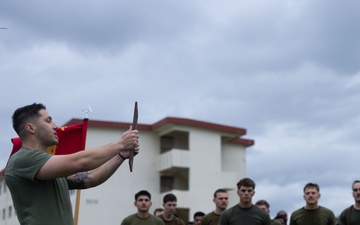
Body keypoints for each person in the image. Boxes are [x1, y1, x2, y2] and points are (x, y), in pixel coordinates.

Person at [5, 103, 140, 225]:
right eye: (48, 120)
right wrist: (121, 143)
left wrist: (122, 155)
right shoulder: (22, 159)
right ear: (30, 128)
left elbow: (91, 178)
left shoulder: (47, 167)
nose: (56, 126)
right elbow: (81, 162)